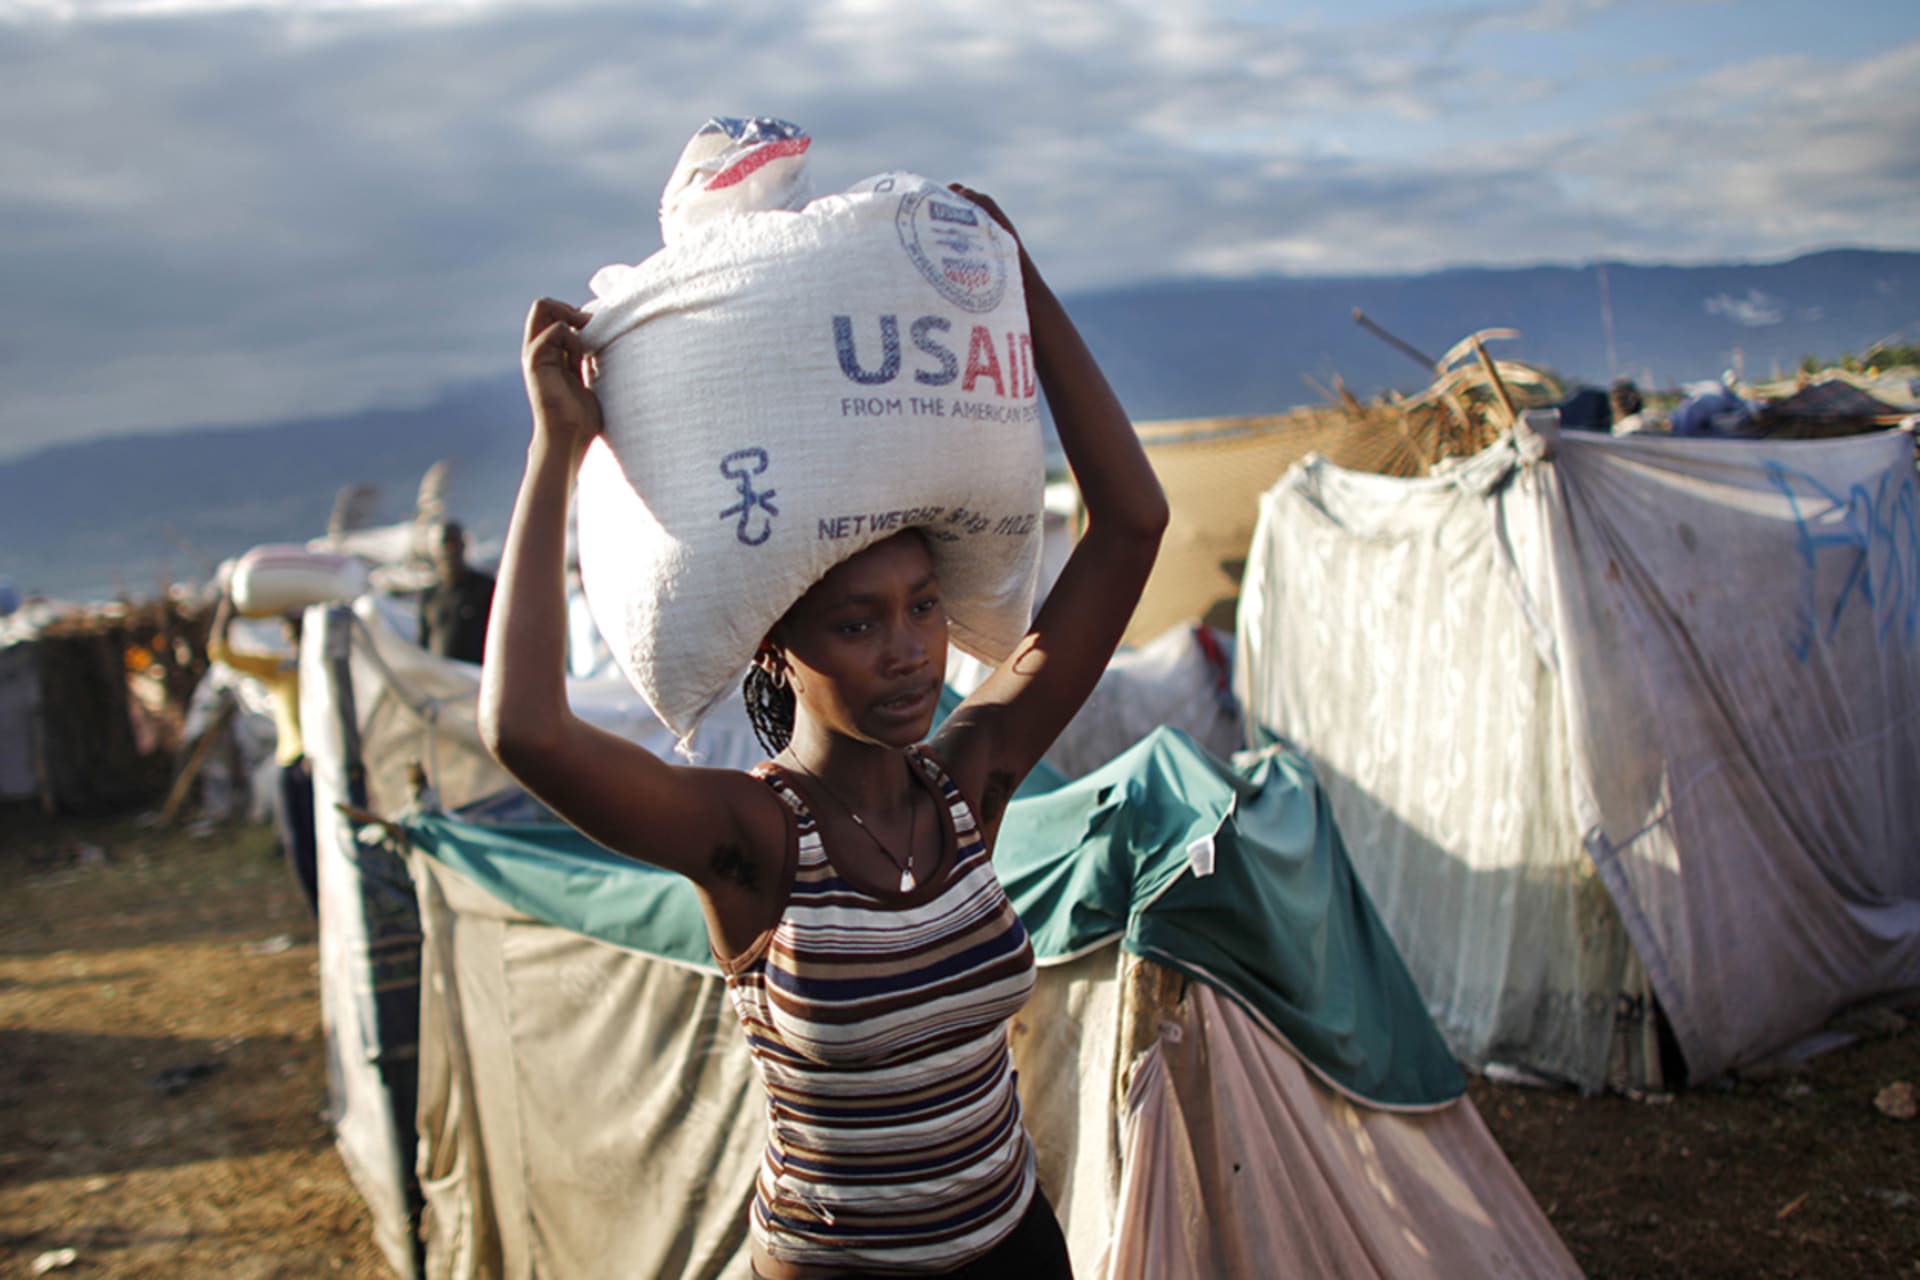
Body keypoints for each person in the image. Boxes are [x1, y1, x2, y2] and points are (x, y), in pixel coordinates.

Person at [479, 186, 1167, 1279]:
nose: (908, 651)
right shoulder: (752, 837)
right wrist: (555, 445)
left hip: (1014, 1247)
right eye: (857, 622)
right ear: (775, 648)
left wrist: (1014, 283)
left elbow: (1133, 525)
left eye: (923, 606)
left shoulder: (969, 779)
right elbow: (524, 728)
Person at [208, 591, 319, 916]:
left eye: (298, 627)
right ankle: (317, 911)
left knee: (323, 841)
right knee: (296, 842)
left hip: (323, 765)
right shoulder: (280, 668)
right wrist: (226, 612)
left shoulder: (331, 667)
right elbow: (222, 653)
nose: (292, 633)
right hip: (291, 761)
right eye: (289, 627)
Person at [418, 519, 496, 663]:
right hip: (442, 679)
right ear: (434, 550)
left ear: (463, 545)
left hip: (475, 677)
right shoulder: (429, 595)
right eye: (444, 543)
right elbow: (423, 644)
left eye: (454, 542)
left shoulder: (486, 589)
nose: (449, 549)